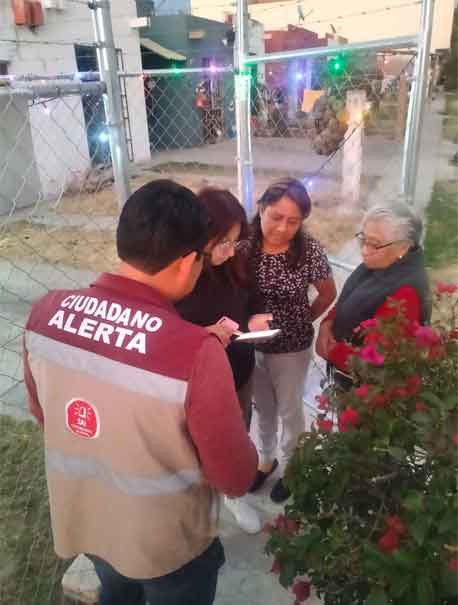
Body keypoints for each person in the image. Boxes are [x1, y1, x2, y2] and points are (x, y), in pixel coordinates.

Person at [23, 179, 258, 605]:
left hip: (89, 522)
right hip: (166, 544)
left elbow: (46, 413)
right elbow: (235, 476)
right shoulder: (195, 353)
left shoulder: (44, 314)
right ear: (188, 261)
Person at [177, 187, 261, 534]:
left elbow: (251, 295)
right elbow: (168, 331)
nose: (229, 251)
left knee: (236, 431)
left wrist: (257, 318)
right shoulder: (181, 274)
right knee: (196, 444)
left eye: (235, 242)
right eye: (222, 242)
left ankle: (233, 494)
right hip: (197, 381)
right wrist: (206, 334)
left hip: (238, 368)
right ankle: (198, 499)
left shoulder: (235, 261)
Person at [247, 178, 336, 503]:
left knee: (289, 410)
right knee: (263, 408)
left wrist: (301, 321)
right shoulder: (244, 244)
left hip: (291, 348)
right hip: (252, 344)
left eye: (293, 221)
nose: (283, 228)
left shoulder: (307, 249)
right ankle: (266, 460)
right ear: (260, 210)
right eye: (276, 217)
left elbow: (328, 293)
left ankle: (292, 469)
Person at [316, 205, 431, 386]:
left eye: (375, 244)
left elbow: (377, 360)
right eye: (363, 240)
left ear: (403, 248)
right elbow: (349, 299)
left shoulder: (406, 293)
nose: (365, 250)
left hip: (371, 396)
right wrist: (327, 325)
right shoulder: (379, 264)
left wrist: (332, 351)